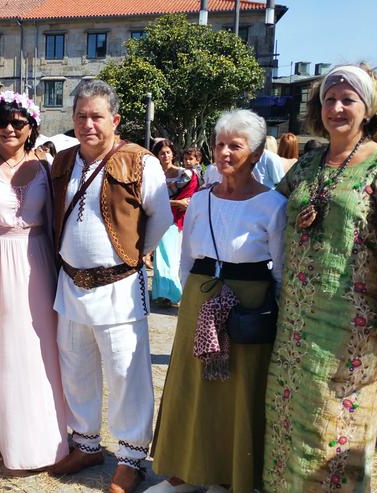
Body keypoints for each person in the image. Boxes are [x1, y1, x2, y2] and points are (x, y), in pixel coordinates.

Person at [263, 64, 377, 492]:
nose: (336, 108)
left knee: (334, 426)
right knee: (289, 419)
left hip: (352, 327)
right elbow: (265, 211)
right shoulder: (308, 161)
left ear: (369, 107)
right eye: (328, 100)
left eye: (347, 100)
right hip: (296, 320)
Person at [148, 109, 287, 493]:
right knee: (193, 388)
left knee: (237, 390)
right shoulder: (201, 200)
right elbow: (186, 259)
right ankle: (186, 473)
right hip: (201, 294)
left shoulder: (273, 205)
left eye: (235, 145)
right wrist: (196, 297)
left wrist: (260, 305)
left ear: (256, 153)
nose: (224, 152)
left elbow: (280, 268)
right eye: (219, 144)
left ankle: (227, 478)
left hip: (249, 304)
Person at [49, 79, 172, 493]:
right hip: (71, 284)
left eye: (97, 116)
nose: (88, 124)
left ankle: (131, 459)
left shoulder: (140, 161)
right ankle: (85, 444)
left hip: (119, 288)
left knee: (125, 374)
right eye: (81, 116)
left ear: (114, 120)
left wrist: (132, 260)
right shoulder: (63, 161)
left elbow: (160, 218)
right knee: (76, 368)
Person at [0, 91, 69, 472]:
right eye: (2, 122)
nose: (9, 128)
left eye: (18, 123)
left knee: (42, 352)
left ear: (30, 129)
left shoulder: (45, 168)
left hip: (38, 263)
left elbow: (58, 222)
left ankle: (46, 438)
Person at [151, 139, 199, 307]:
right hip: (158, 219)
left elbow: (191, 198)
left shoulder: (184, 174)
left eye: (168, 152)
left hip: (178, 221)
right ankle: (164, 294)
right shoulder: (152, 175)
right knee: (161, 259)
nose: (165, 156)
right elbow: (149, 198)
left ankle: (171, 293)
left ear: (173, 154)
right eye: (161, 153)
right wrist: (174, 203)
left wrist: (177, 204)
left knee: (173, 257)